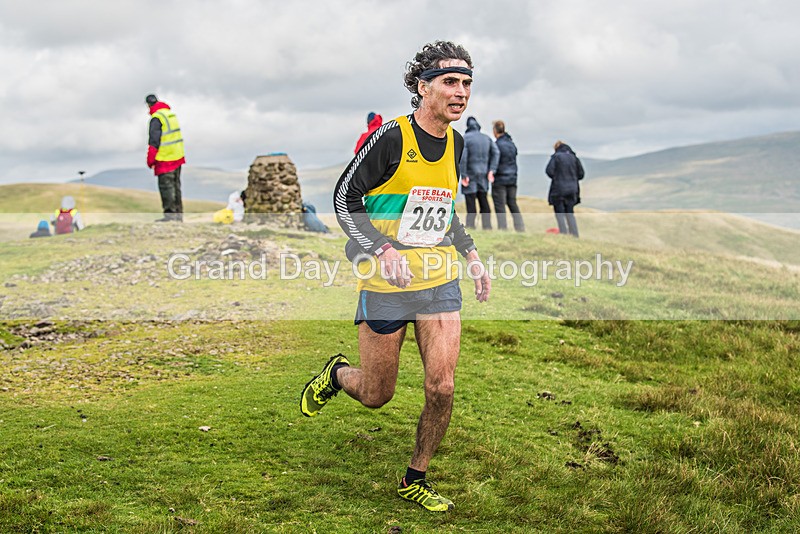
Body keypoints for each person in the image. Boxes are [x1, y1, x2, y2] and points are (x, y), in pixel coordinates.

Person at [301, 40, 491, 513]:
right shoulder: (390, 138)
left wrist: (471, 255)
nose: (461, 92)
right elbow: (345, 200)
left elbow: (442, 210)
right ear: (423, 86)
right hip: (385, 283)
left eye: (467, 83)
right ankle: (337, 374)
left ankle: (416, 475)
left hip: (439, 279)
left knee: (442, 386)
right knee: (376, 394)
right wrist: (381, 248)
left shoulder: (458, 142)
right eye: (450, 82)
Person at [145, 94, 185, 222]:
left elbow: (154, 142)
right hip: (177, 156)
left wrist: (150, 160)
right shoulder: (170, 115)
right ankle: (178, 216)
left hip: (165, 158)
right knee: (176, 187)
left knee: (167, 188)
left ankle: (170, 216)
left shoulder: (157, 118)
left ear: (148, 105)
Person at [460, 116, 498, 230]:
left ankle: (471, 227)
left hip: (470, 175)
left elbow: (463, 157)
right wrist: (492, 170)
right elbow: (496, 153)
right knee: (484, 201)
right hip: (484, 175)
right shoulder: (487, 138)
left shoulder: (465, 138)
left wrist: (464, 174)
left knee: (471, 204)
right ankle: (487, 227)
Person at [491, 120, 525, 232]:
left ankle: (503, 229)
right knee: (512, 203)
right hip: (512, 178)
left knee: (500, 206)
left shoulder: (496, 145)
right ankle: (520, 228)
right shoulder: (512, 144)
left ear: (495, 131)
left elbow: (494, 161)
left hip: (500, 179)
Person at [545, 140, 584, 237]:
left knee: (560, 213)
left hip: (559, 190)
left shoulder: (556, 157)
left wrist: (558, 176)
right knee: (570, 213)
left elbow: (549, 171)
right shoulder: (574, 158)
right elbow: (581, 174)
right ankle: (575, 235)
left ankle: (563, 234)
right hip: (572, 190)